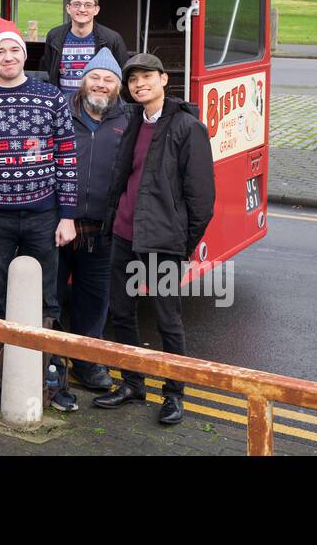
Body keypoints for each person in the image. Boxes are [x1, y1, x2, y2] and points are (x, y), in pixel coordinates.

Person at [93, 53, 215, 426]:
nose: (140, 84)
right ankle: (132, 383)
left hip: (163, 242)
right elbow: (123, 178)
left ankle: (174, 394)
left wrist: (182, 243)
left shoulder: (186, 127)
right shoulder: (132, 121)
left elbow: (202, 199)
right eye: (133, 80)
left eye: (147, 77)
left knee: (167, 318)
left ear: (164, 79)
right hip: (124, 234)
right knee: (121, 312)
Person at [0, 18, 79, 411]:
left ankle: (52, 377)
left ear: (24, 54)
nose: (8, 57)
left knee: (47, 299)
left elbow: (67, 158)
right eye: (0, 51)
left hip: (43, 215)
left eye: (14, 50)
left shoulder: (51, 98)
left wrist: (67, 215)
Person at [57, 47, 131, 394]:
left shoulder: (128, 122)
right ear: (82, 80)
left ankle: (87, 363)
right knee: (50, 297)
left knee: (94, 301)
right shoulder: (60, 113)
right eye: (95, 77)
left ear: (118, 86)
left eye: (108, 79)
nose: (101, 85)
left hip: (102, 231)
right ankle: (51, 363)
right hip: (58, 225)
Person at [44, 0, 129, 94]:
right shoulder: (54, 36)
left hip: (99, 107)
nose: (82, 9)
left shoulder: (112, 39)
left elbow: (123, 76)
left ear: (96, 10)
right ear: (68, 8)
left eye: (88, 5)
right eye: (76, 4)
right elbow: (51, 71)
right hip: (63, 107)